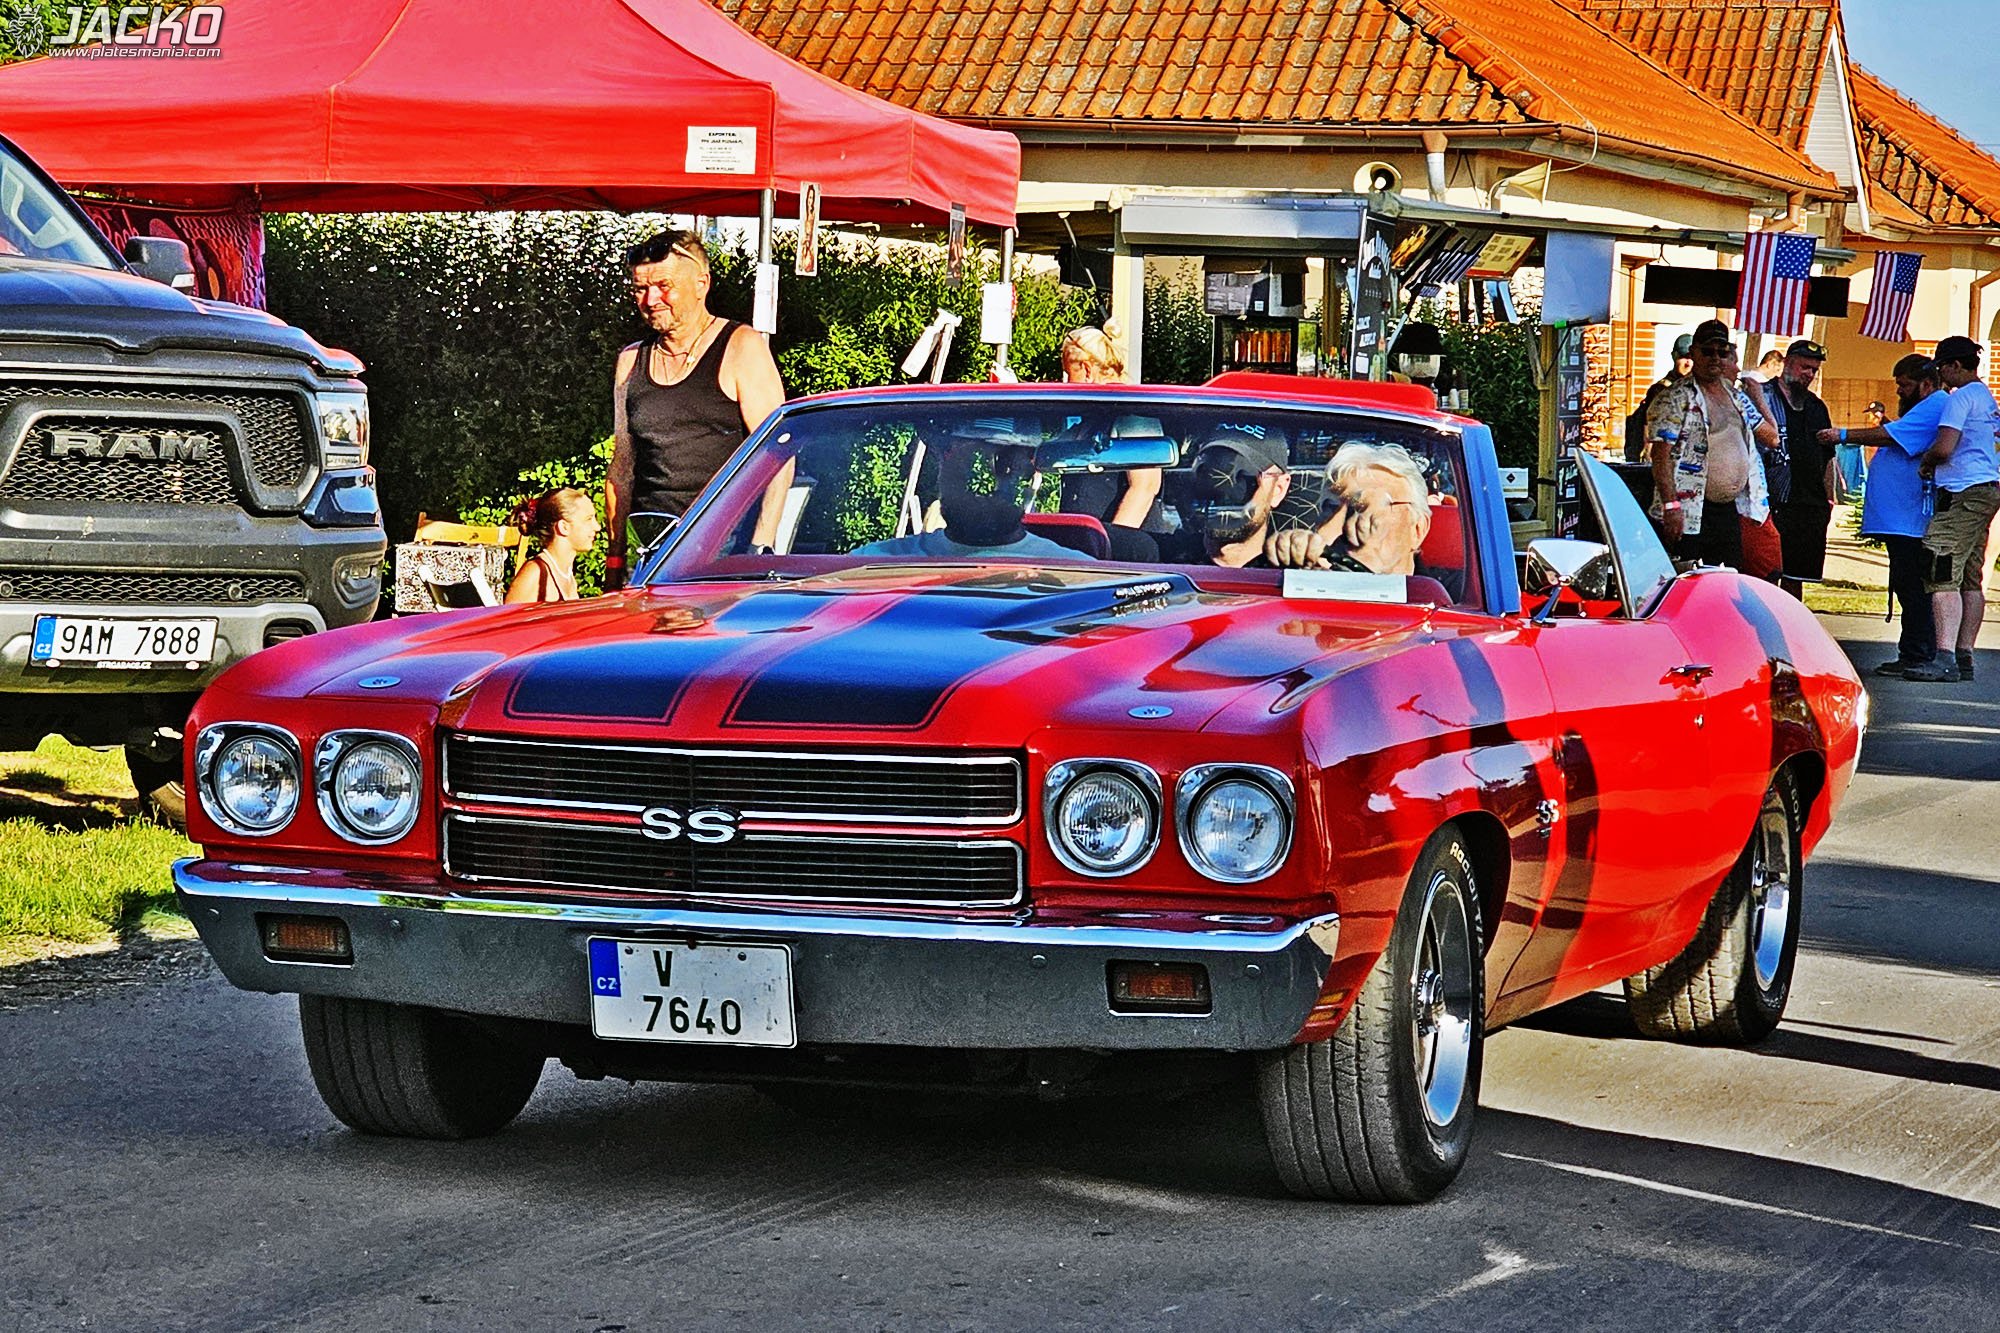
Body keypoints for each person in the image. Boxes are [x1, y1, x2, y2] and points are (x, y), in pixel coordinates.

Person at [606, 230, 787, 588]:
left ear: (701, 284)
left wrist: (759, 548)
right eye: (640, 289)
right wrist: (615, 559)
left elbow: (778, 455)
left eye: (663, 285)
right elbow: (622, 466)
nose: (651, 299)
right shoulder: (631, 360)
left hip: (725, 552)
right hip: (652, 554)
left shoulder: (740, 347)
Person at [1818, 356, 1943, 676]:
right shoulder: (1922, 408)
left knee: (1912, 586)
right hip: (1898, 518)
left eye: (1905, 385)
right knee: (1906, 584)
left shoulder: (1935, 404)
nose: (1900, 392)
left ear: (1927, 385)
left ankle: (1917, 652)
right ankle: (1913, 649)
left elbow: (1891, 437)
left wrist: (1842, 434)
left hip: (1909, 519)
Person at [1900, 336, 2000, 683]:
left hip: (1962, 491)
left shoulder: (1960, 400)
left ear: (1956, 366)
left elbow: (1944, 447)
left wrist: (1927, 462)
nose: (1941, 374)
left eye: (1943, 366)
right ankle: (1964, 654)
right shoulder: (1987, 399)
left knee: (1940, 566)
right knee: (1971, 575)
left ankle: (1943, 658)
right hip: (1987, 488)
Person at [851, 421, 1077, 561]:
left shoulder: (1082, 580)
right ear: (942, 462)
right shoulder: (864, 569)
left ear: (1030, 470)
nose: (988, 480)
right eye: (968, 461)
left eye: (1005, 462)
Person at [1646, 319, 1756, 570]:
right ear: (1693, 352)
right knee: (1688, 580)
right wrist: (1671, 506)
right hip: (1689, 508)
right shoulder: (1675, 397)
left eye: (1722, 351)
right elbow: (1660, 455)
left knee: (1728, 579)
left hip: (1727, 509)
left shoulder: (1734, 394)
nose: (1715, 358)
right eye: (1707, 351)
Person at [1058, 320, 1164, 559]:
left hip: (1126, 559)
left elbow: (1145, 487)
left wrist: (1108, 551)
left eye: (1068, 372)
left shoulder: (1132, 413)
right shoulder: (1091, 417)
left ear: (1086, 370)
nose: (1065, 381)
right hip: (1085, 555)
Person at [1264, 441, 1434, 577]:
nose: (1325, 533)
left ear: (1417, 530)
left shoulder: (1452, 606)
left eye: (1364, 512)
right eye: (1328, 509)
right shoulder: (1288, 586)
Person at [1761, 338, 1837, 596]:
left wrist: (1828, 501)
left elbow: (1828, 457)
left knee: (1797, 577)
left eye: (1813, 370)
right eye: (1804, 367)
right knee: (1767, 573)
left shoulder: (1816, 407)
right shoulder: (1763, 398)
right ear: (1787, 363)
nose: (1809, 374)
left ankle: (1790, 631)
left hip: (1809, 505)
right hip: (1773, 501)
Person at [1182, 426, 1294, 568]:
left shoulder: (1290, 576)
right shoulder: (1158, 558)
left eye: (1245, 477)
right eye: (1212, 473)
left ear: (1279, 489)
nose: (1227, 490)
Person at [505, 488, 600, 603]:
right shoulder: (534, 574)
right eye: (588, 519)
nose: (597, 527)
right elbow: (508, 619)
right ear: (563, 527)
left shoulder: (566, 573)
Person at [1625, 333, 1695, 461]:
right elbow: (1650, 431)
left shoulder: (1698, 389)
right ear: (1674, 356)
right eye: (1683, 357)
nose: (1688, 363)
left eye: (1692, 358)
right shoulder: (1662, 390)